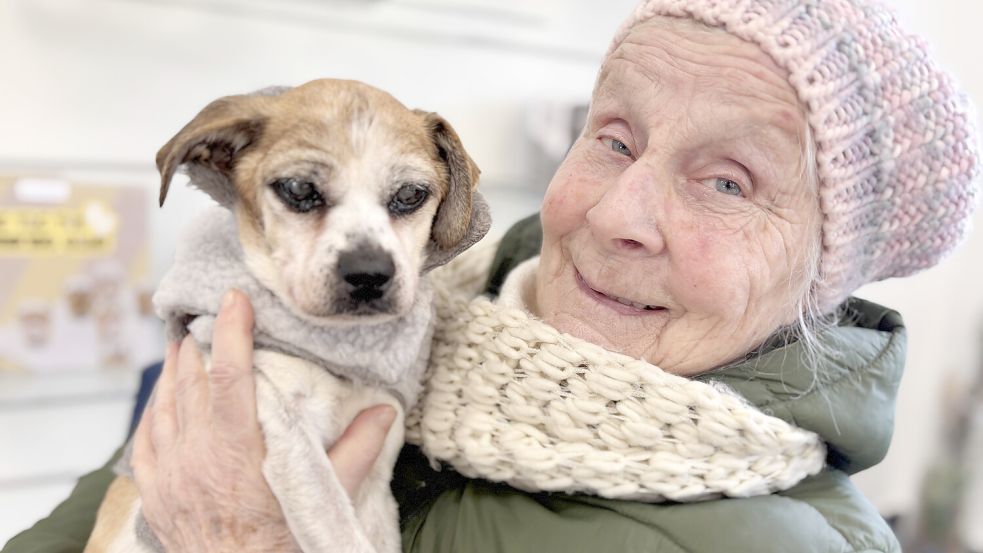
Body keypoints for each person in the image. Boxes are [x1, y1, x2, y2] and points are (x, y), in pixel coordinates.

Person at [5, 0, 980, 551]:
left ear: (820, 271)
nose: (614, 213)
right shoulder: (412, 321)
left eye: (726, 179)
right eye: (613, 136)